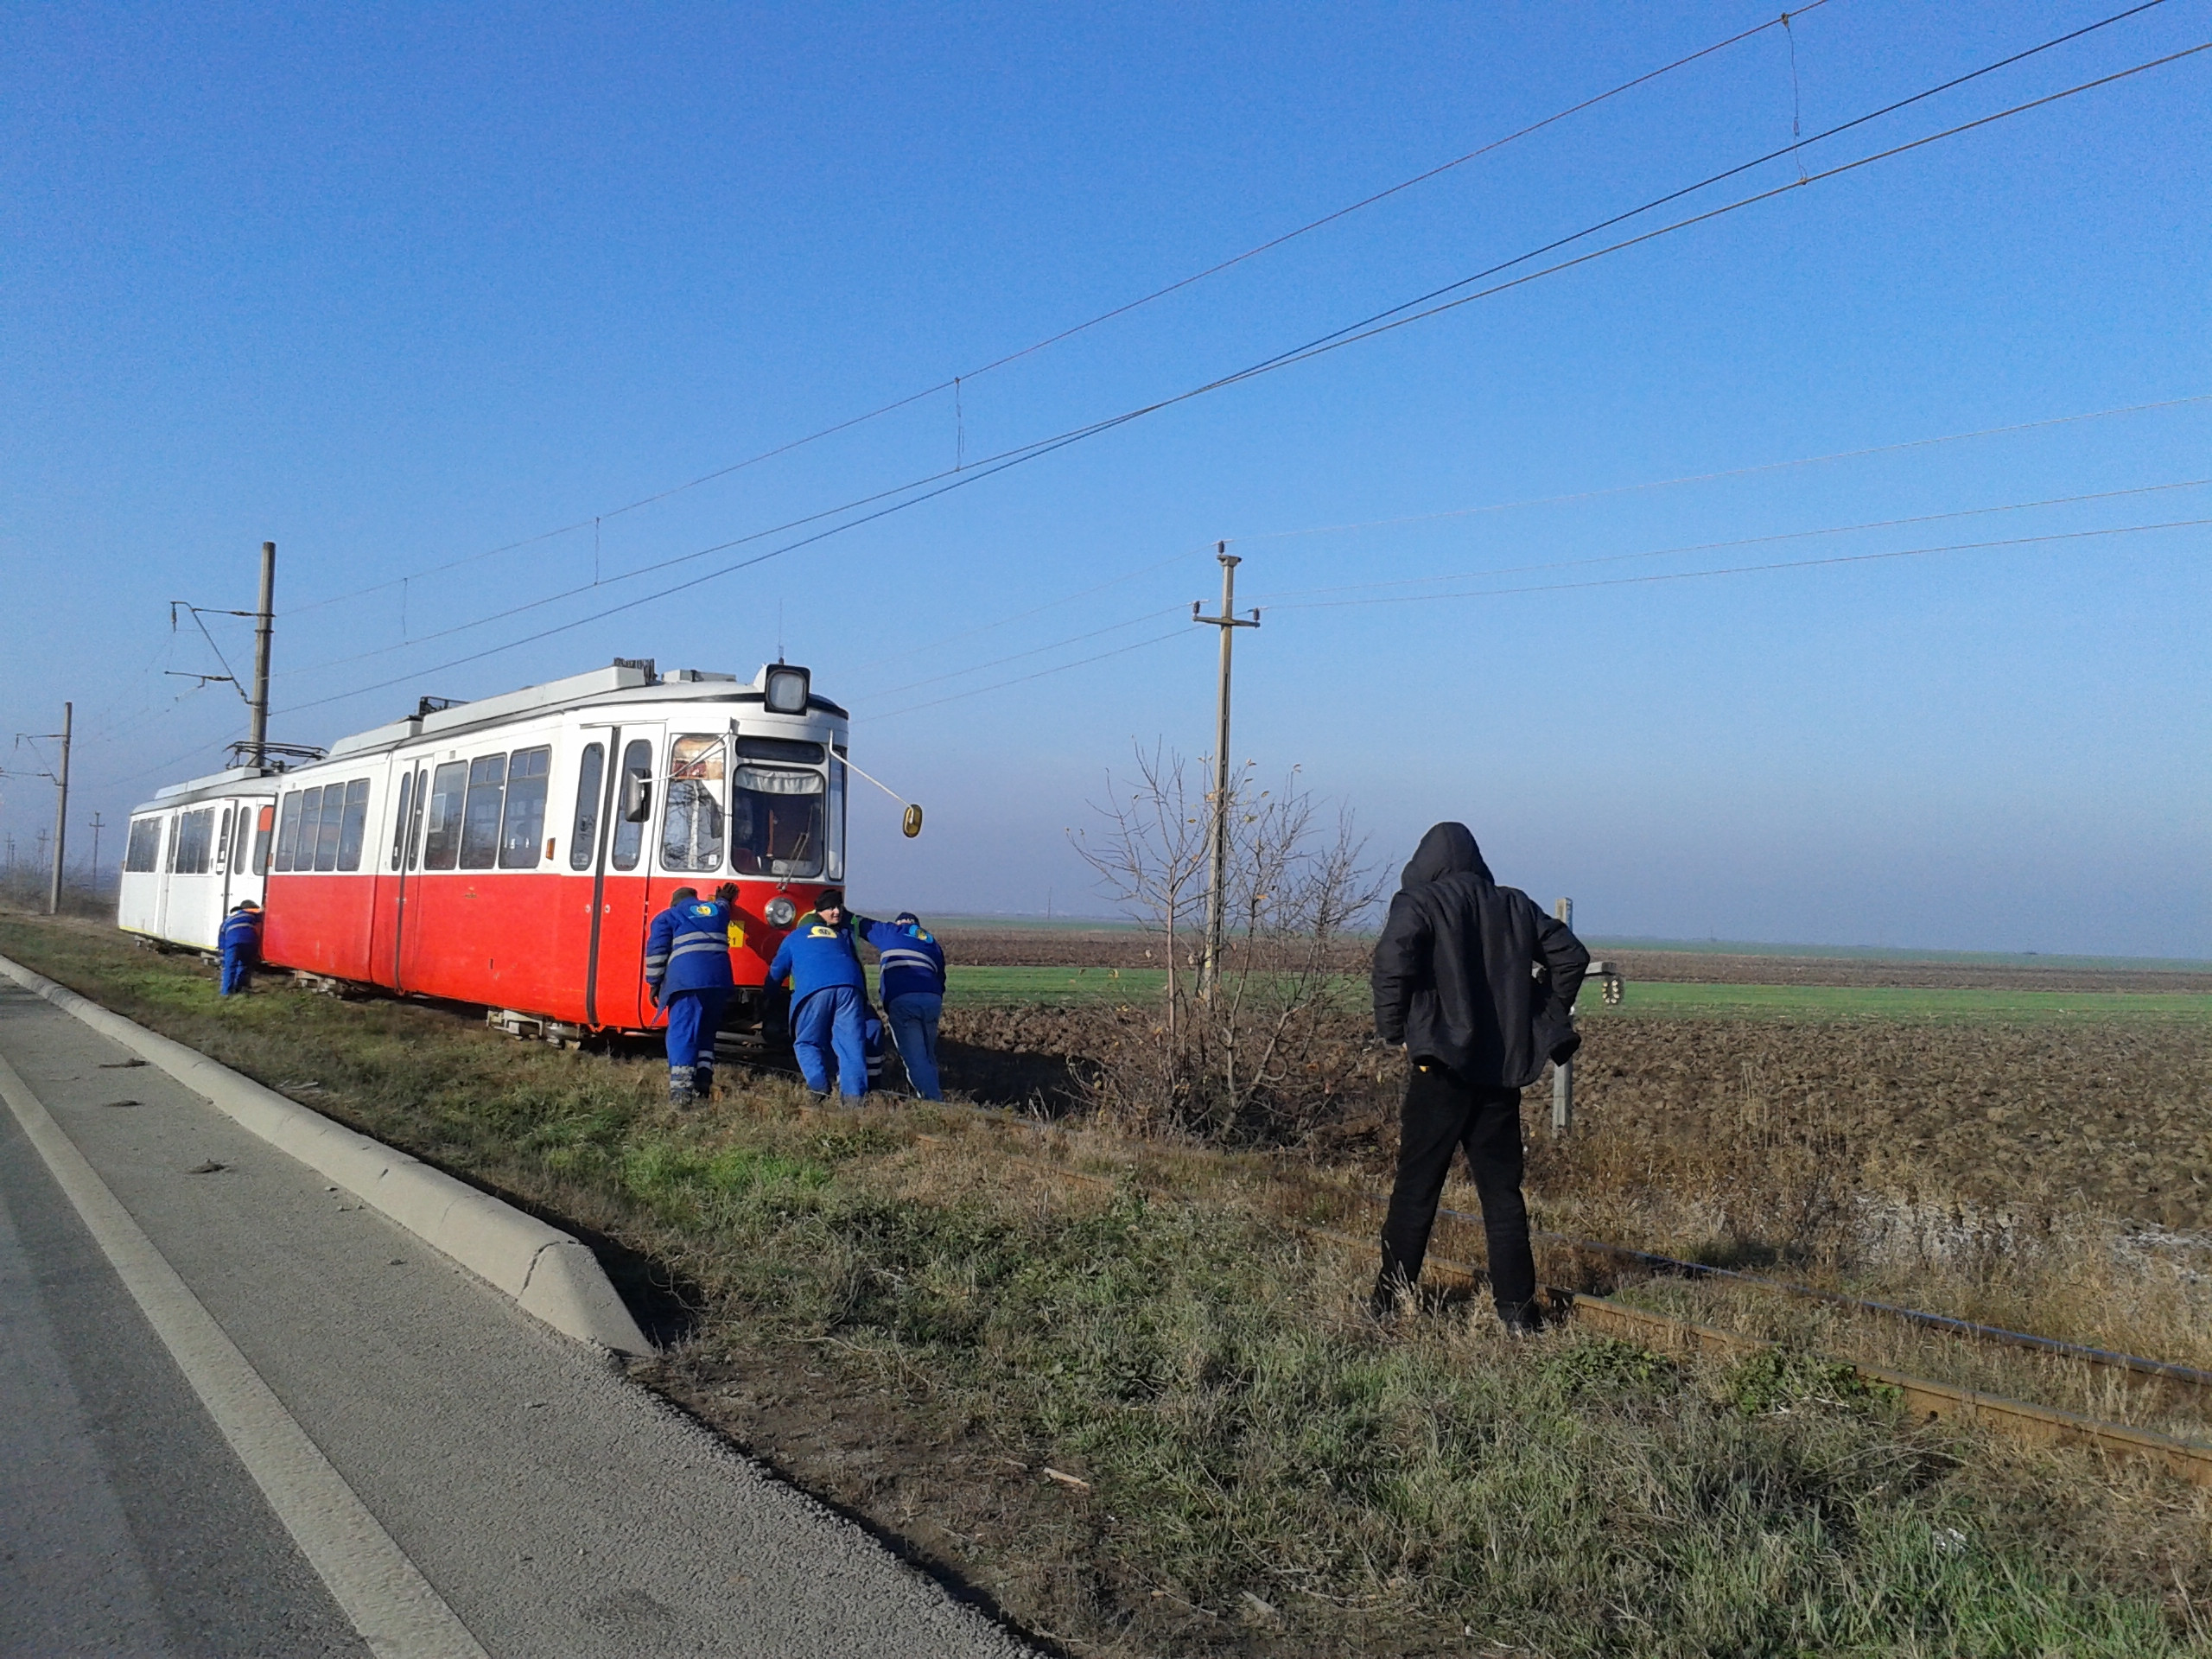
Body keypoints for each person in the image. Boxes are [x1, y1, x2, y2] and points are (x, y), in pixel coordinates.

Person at [1370, 823, 1588, 1332]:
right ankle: (1518, 1315)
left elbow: (1391, 964)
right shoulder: (1514, 904)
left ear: (1425, 861)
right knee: (1502, 1195)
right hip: (1499, 1075)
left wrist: (1396, 1030)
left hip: (1439, 1070)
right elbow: (1571, 956)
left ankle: (1390, 1304)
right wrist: (1544, 1010)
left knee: (1416, 1189)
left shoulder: (1418, 903)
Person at [766, 889, 869, 1100]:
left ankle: (819, 1086)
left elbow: (776, 972)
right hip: (851, 989)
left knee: (807, 1042)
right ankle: (854, 1099)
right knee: (850, 1045)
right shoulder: (838, 936)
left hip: (815, 989)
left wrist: (768, 997)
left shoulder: (794, 938)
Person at [644, 882, 738, 1104]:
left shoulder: (668, 916)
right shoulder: (717, 911)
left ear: (675, 902)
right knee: (706, 1031)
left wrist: (654, 983)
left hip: (687, 983)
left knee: (683, 1033)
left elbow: (657, 952)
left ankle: (681, 1093)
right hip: (719, 982)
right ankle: (703, 1082)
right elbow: (724, 906)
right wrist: (723, 899)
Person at [849, 909, 946, 1099]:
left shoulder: (892, 931)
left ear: (899, 923)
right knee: (928, 1055)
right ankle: (933, 1093)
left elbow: (859, 922)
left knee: (915, 1058)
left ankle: (933, 1103)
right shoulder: (930, 941)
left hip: (903, 999)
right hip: (932, 999)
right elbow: (941, 978)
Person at [217, 899, 262, 997]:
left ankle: (226, 993)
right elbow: (262, 916)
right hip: (249, 940)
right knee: (244, 965)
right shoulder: (249, 914)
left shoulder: (226, 921)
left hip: (232, 942)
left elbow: (221, 940)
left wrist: (222, 955)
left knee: (229, 967)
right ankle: (240, 989)